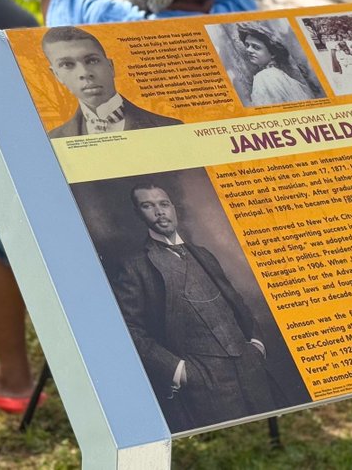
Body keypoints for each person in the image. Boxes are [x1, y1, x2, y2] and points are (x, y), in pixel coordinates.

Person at [0, 0, 258, 412]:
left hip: (108, 239)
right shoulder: (241, 16)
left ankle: (13, 378)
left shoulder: (113, 26)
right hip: (243, 228)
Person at [112, 181, 274, 431]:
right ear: (138, 213)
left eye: (163, 204)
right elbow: (128, 328)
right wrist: (178, 370)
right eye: (148, 206)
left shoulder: (203, 253)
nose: (159, 212)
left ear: (173, 208)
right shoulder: (135, 266)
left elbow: (235, 300)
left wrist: (256, 343)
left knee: (267, 437)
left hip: (249, 366)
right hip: (203, 380)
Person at [41, 26, 181, 136]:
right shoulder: (54, 139)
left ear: (111, 66)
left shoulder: (169, 128)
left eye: (92, 60)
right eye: (67, 65)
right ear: (57, 75)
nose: (84, 73)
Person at [235, 21, 315, 106]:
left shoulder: (264, 76)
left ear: (273, 53)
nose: (248, 50)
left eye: (256, 47)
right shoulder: (280, 75)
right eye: (247, 45)